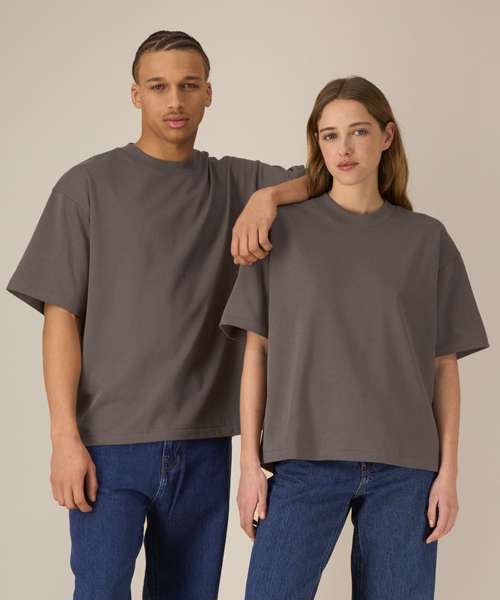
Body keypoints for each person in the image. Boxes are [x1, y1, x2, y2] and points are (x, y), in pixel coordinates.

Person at [5, 30, 311, 600]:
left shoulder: (235, 182)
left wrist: (269, 197)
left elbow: (333, 175)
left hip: (203, 443)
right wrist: (64, 438)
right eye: (159, 86)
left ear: (209, 93)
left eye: (189, 86)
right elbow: (60, 318)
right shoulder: (86, 187)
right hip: (108, 444)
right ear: (135, 94)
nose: (175, 101)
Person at [219, 75, 490, 600]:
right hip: (303, 461)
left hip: (405, 471)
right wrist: (249, 465)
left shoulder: (427, 239)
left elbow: (444, 365)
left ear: (386, 136)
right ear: (318, 144)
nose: (344, 148)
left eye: (358, 131)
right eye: (330, 135)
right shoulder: (282, 231)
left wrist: (448, 473)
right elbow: (257, 352)